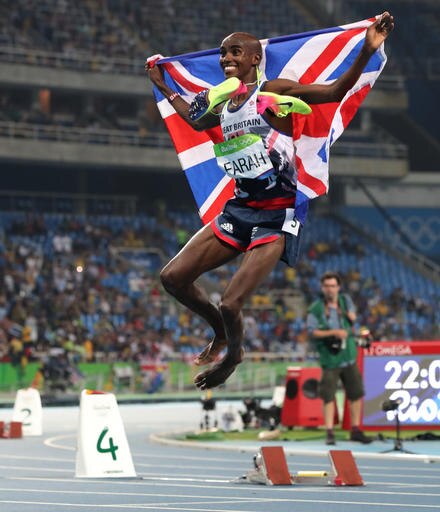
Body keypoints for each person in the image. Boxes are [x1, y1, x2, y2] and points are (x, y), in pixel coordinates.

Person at [145, 13, 394, 390]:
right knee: (172, 278)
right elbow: (195, 122)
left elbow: (332, 92)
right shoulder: (222, 100)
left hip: (277, 215)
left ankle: (233, 355)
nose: (226, 57)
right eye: (223, 52)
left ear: (254, 59)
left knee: (231, 303)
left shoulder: (273, 91)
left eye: (236, 51)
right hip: (240, 208)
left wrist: (366, 48)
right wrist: (163, 84)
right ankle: (221, 334)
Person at [306, 271, 372, 445]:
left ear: (338, 287)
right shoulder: (316, 308)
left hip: (349, 355)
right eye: (327, 286)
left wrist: (351, 318)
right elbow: (312, 332)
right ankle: (329, 431)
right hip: (330, 357)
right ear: (322, 288)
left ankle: (356, 429)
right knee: (328, 395)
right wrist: (334, 332)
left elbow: (354, 318)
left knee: (356, 393)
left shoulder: (345, 301)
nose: (330, 289)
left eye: (333, 286)